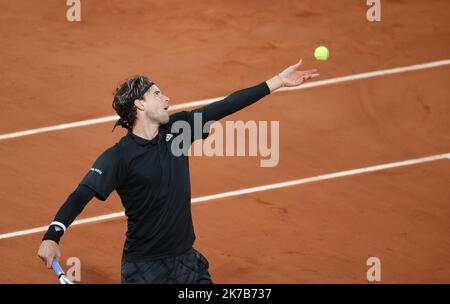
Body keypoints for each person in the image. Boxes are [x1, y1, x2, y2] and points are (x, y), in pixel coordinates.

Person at [37, 59, 319, 283]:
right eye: (158, 94)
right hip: (144, 269)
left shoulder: (178, 130)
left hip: (186, 261)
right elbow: (80, 195)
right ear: (140, 105)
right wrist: (52, 236)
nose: (167, 99)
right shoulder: (119, 157)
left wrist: (277, 82)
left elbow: (225, 105)